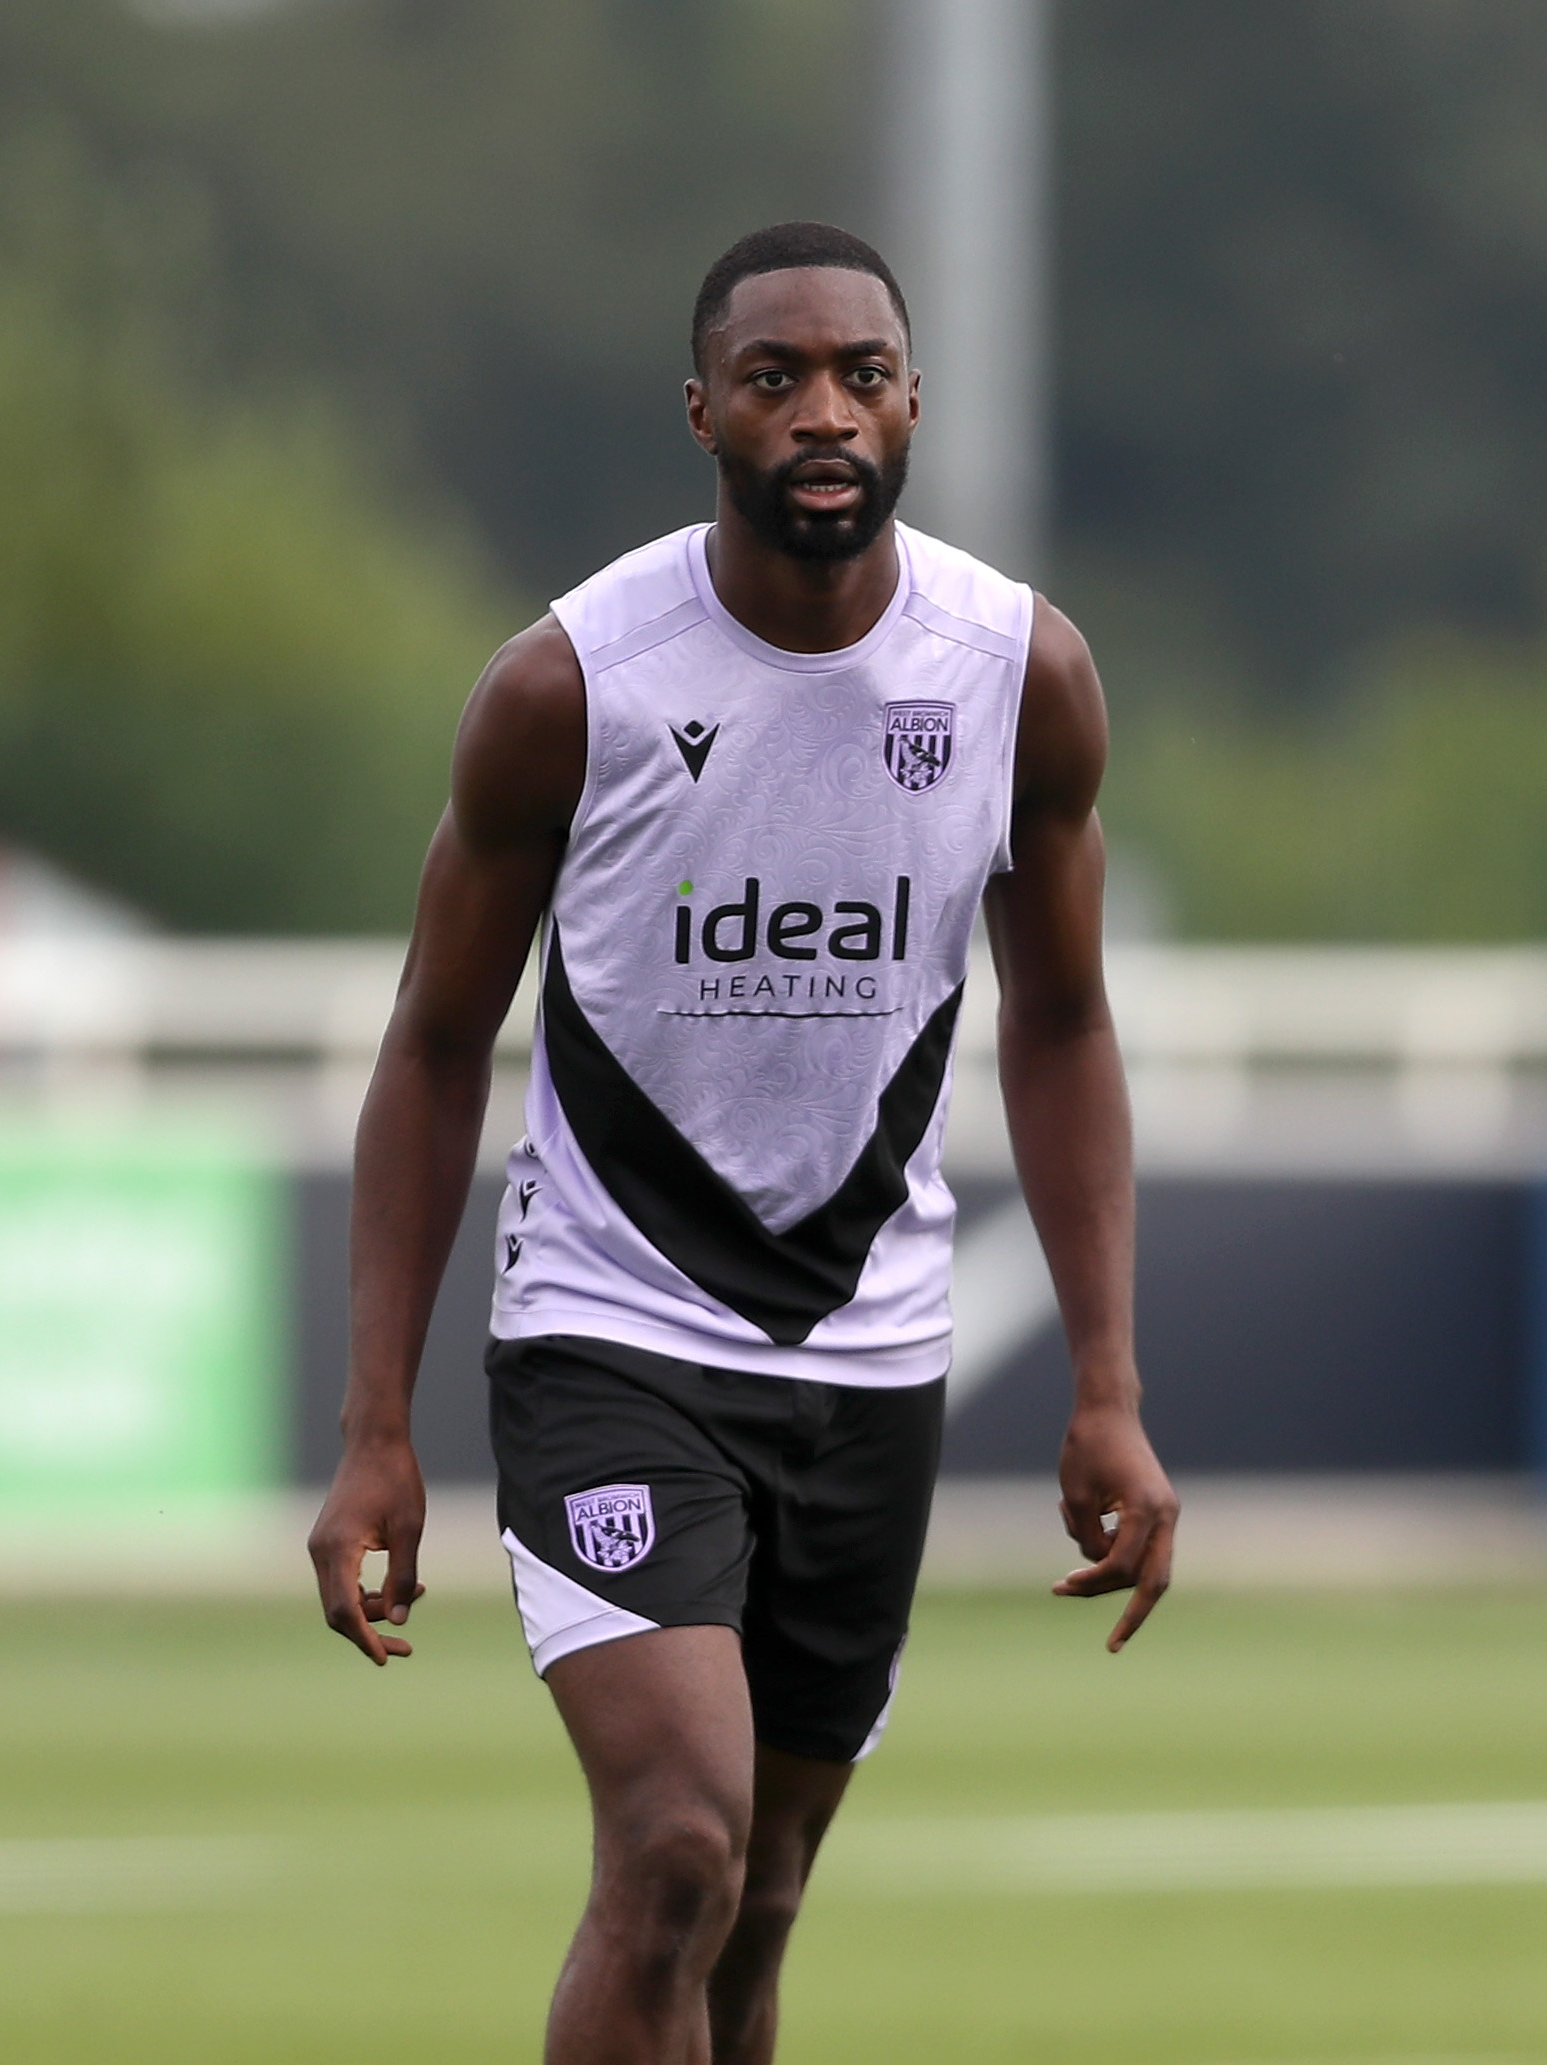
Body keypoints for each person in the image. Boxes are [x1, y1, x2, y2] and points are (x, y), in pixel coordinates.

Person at [307, 219, 1179, 2065]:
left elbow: (1070, 1019)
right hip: (611, 1338)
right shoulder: (570, 688)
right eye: (774, 378)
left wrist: (1105, 1380)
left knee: (761, 1898)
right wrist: (376, 1421)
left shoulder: (1019, 675)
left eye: (859, 374)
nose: (821, 413)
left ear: (915, 403)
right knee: (677, 1840)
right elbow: (436, 1034)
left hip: (869, 1354)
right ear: (700, 409)